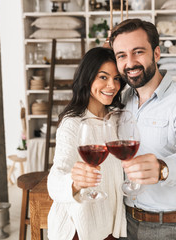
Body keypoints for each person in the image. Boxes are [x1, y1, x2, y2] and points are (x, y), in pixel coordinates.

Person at [109, 19, 176, 239]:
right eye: (122, 56)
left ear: (156, 53)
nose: (130, 62)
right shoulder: (121, 100)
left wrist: (164, 168)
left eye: (138, 52)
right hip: (124, 220)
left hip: (168, 226)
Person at [47, 47, 127, 240]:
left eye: (117, 78)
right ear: (87, 78)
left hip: (112, 225)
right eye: (103, 77)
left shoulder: (118, 118)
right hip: (80, 227)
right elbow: (55, 181)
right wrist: (74, 182)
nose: (112, 85)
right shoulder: (72, 123)